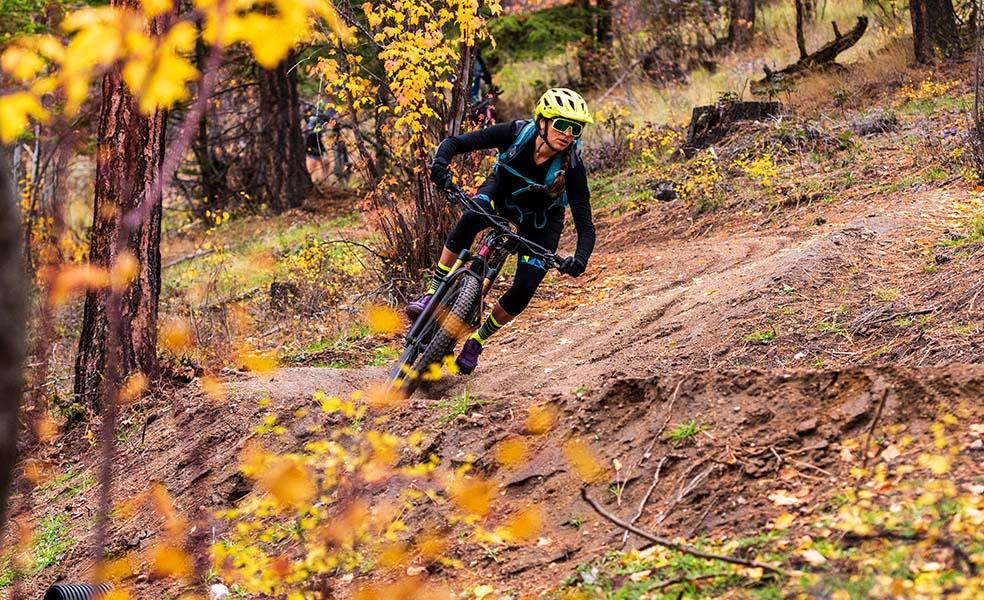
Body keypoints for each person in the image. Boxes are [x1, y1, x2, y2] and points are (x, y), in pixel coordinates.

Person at [407, 88, 596, 374]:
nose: (568, 134)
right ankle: (432, 293)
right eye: (562, 124)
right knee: (472, 217)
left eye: (576, 128)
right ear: (542, 121)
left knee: (525, 287)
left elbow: (585, 221)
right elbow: (455, 143)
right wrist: (440, 167)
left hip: (541, 220)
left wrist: (580, 258)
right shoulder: (515, 133)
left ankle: (477, 341)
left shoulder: (572, 166)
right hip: (501, 194)